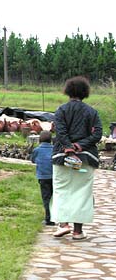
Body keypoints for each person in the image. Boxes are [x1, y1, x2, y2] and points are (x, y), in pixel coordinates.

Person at [51, 76, 102, 240]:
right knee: (82, 193)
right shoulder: (92, 112)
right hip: (85, 159)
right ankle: (77, 231)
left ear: (68, 91)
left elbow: (60, 131)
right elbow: (98, 133)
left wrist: (68, 147)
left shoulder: (61, 110)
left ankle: (63, 224)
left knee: (61, 190)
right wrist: (80, 145)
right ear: (85, 92)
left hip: (62, 158)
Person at [31, 130, 55, 226]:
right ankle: (56, 216)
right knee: (54, 197)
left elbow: (33, 160)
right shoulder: (54, 149)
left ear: (40, 139)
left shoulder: (37, 150)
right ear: (51, 140)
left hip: (43, 177)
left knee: (46, 197)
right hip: (54, 176)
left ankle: (48, 218)